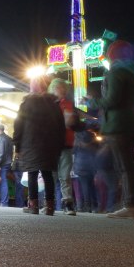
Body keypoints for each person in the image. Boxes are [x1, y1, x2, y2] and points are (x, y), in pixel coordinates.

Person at [85, 40, 134, 219]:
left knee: (124, 166)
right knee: (130, 166)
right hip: (133, 124)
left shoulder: (115, 72)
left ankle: (131, 205)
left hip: (118, 126)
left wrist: (92, 102)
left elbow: (112, 100)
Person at [13, 75, 66, 215]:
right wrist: (59, 146)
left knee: (32, 174)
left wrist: (17, 145)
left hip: (31, 144)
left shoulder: (27, 103)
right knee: (48, 174)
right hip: (50, 145)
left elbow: (18, 125)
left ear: (33, 87)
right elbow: (61, 126)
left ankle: (34, 205)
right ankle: (50, 207)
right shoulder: (54, 104)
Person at [49, 78, 79, 215]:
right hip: (53, 144)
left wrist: (73, 121)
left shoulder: (69, 104)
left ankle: (68, 204)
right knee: (52, 175)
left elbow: (75, 124)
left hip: (66, 143)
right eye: (58, 88)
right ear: (53, 89)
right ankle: (49, 203)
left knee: (64, 176)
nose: (60, 91)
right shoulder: (49, 104)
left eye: (62, 88)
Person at [72, 130, 99, 213]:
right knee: (92, 187)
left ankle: (88, 206)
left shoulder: (77, 144)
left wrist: (73, 168)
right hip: (92, 167)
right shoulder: (94, 144)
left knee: (85, 187)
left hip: (81, 167)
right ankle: (95, 205)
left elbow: (73, 154)